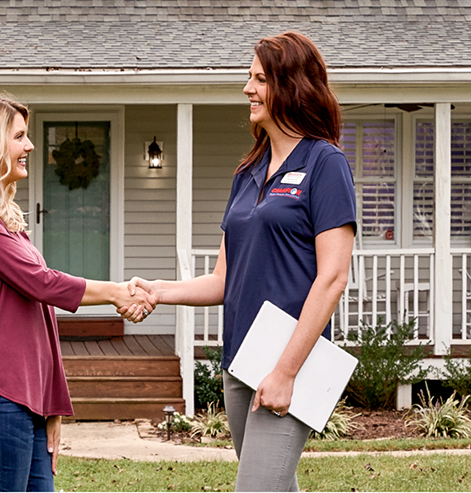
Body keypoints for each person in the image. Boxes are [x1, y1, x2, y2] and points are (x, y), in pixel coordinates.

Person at [120, 32, 356, 491]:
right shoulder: (249, 172)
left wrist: (286, 371)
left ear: (292, 86)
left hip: (291, 362)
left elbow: (332, 277)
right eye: (249, 78)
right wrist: (158, 290)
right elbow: (222, 280)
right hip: (241, 361)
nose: (247, 88)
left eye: (260, 79)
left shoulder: (326, 164)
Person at [0, 94, 154, 492]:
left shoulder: (5, 220)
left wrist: (52, 403)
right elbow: (41, 283)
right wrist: (116, 293)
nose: (29, 146)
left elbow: (38, 320)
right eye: (20, 136)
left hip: (27, 402)